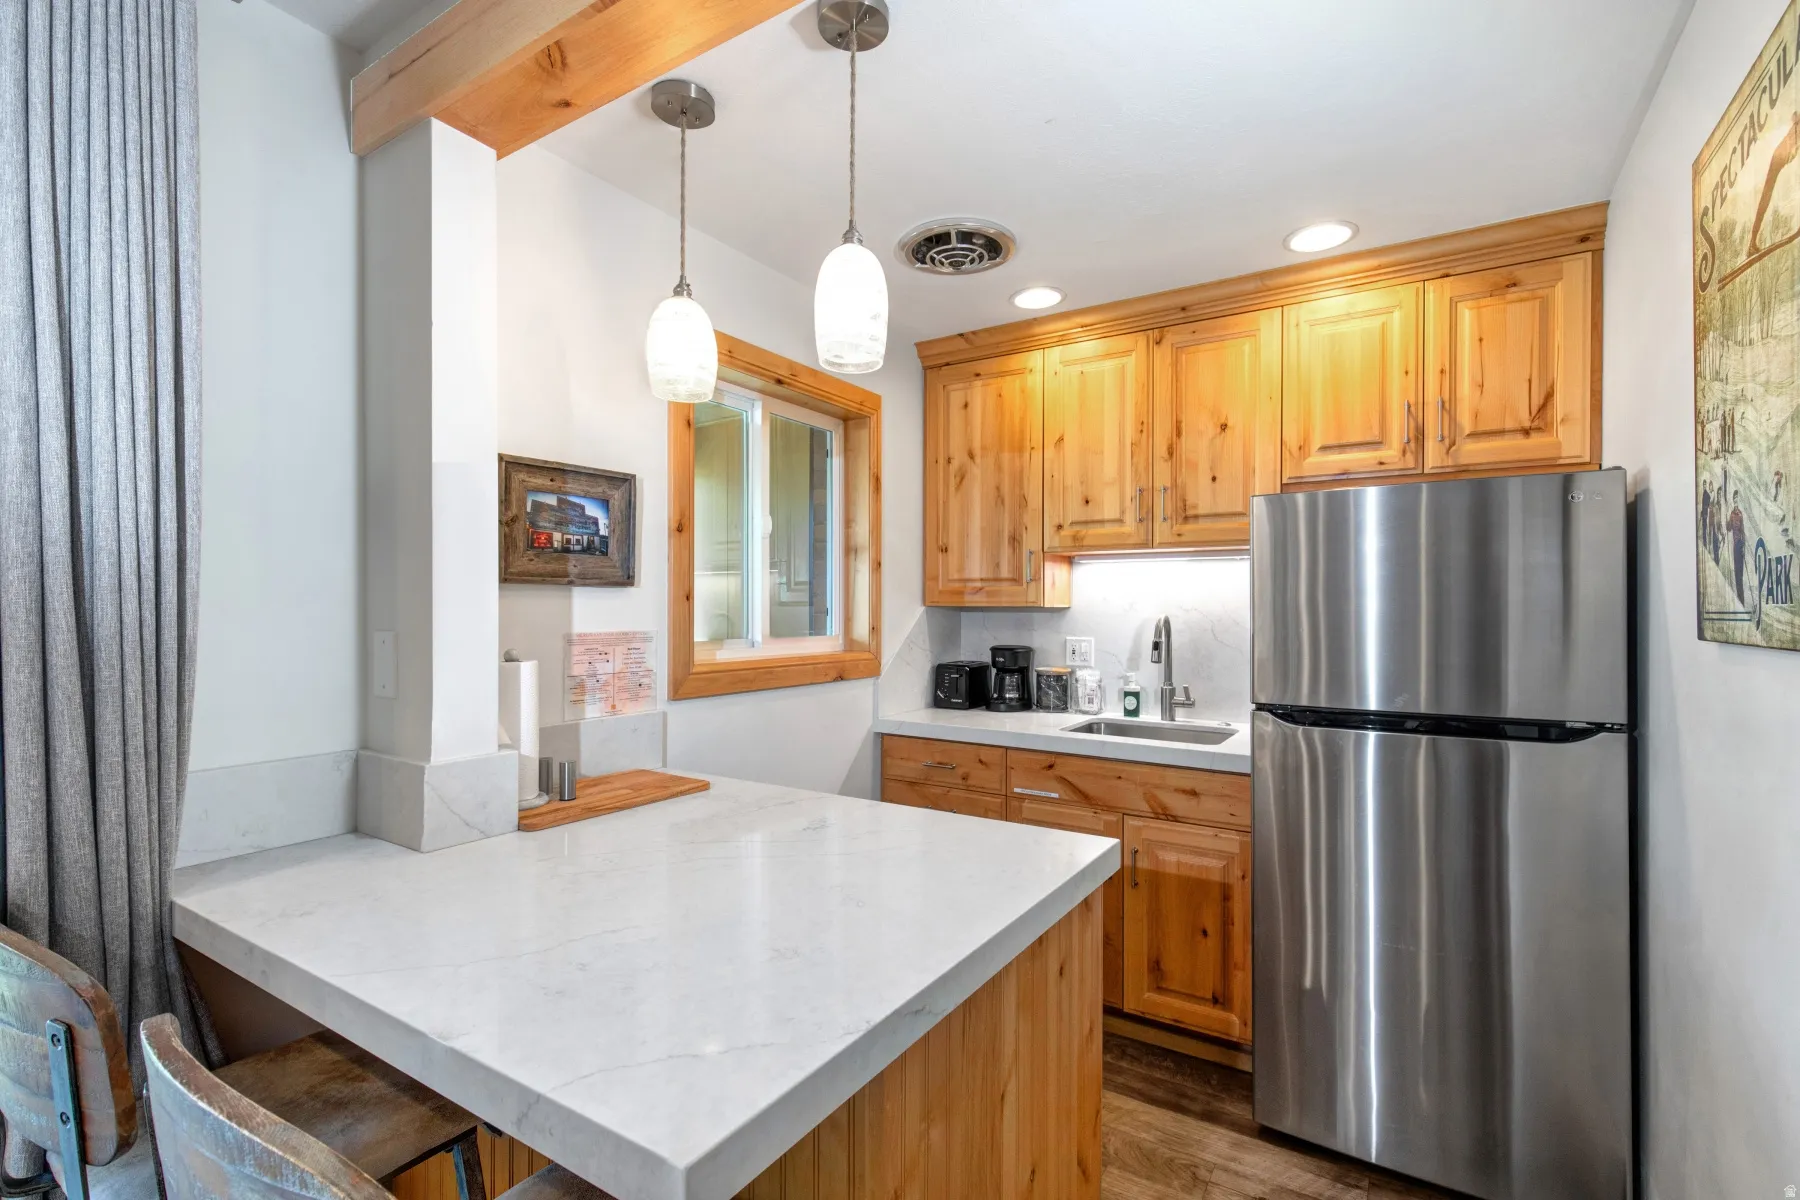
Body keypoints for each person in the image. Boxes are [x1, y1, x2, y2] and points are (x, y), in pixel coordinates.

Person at [1729, 492, 1748, 603]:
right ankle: (1740, 599)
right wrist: (1728, 520)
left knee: (1740, 573)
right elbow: (1729, 528)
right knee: (1737, 573)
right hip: (1735, 545)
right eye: (1734, 497)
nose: (1736, 499)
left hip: (1740, 544)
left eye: (1737, 498)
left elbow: (1743, 530)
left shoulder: (1740, 514)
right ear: (1733, 500)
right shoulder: (1732, 514)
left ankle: (1742, 600)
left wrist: (1744, 546)